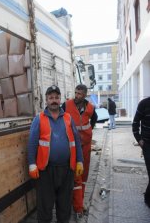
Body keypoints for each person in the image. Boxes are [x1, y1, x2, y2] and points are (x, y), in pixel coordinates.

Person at [28, 85, 83, 223]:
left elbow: (76, 141)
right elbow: (32, 143)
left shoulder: (68, 118)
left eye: (56, 98)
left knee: (64, 206)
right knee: (45, 206)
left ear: (60, 100)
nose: (54, 100)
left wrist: (79, 161)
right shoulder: (39, 119)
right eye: (51, 98)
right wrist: (32, 164)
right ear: (46, 100)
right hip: (46, 171)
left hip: (67, 170)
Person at [62, 84, 98, 220]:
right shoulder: (66, 105)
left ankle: (80, 202)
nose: (77, 96)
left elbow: (93, 120)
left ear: (85, 95)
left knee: (84, 174)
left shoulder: (90, 107)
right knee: (74, 174)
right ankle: (76, 205)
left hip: (86, 145)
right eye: (76, 93)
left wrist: (89, 132)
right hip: (72, 146)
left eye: (80, 94)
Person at [132, 97, 150, 208]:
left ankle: (148, 196)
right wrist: (139, 139)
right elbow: (135, 123)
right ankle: (148, 198)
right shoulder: (144, 104)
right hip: (148, 145)